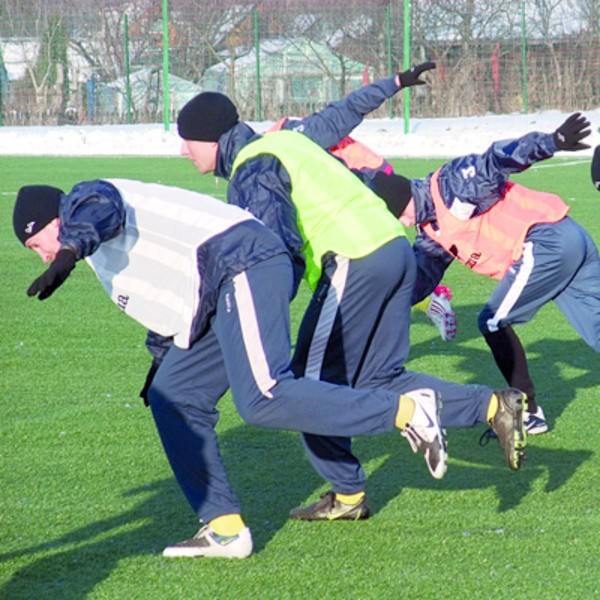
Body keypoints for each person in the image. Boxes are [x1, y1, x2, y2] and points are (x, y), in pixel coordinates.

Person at [14, 179, 449, 559]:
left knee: (264, 396)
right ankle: (224, 530)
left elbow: (99, 209)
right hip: (217, 287)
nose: (41, 256)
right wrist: (159, 366)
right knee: (174, 397)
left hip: (241, 261)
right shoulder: (100, 259)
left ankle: (408, 411)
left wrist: (69, 249)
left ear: (52, 221)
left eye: (36, 244)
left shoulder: (84, 200)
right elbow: (171, 307)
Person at [176, 86, 527, 522]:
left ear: (210, 138)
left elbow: (272, 248)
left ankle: (347, 495)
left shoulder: (251, 167)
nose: (182, 151)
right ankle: (494, 407)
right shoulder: (284, 142)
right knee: (377, 377)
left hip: (355, 258)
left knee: (303, 386)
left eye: (186, 139)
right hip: (394, 250)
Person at [373, 113, 600, 437]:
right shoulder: (430, 232)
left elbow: (495, 160)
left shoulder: (450, 184)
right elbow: (419, 282)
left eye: (401, 215)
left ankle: (527, 412)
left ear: (404, 199)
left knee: (492, 321)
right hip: (568, 239)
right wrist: (379, 306)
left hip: (545, 240)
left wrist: (552, 142)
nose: (405, 223)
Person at [265, 62, 457, 342]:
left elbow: (352, 106)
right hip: (357, 186)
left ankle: (426, 296)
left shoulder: (296, 137)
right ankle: (423, 300)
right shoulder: (272, 153)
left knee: (357, 266)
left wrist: (396, 82)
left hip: (369, 182)